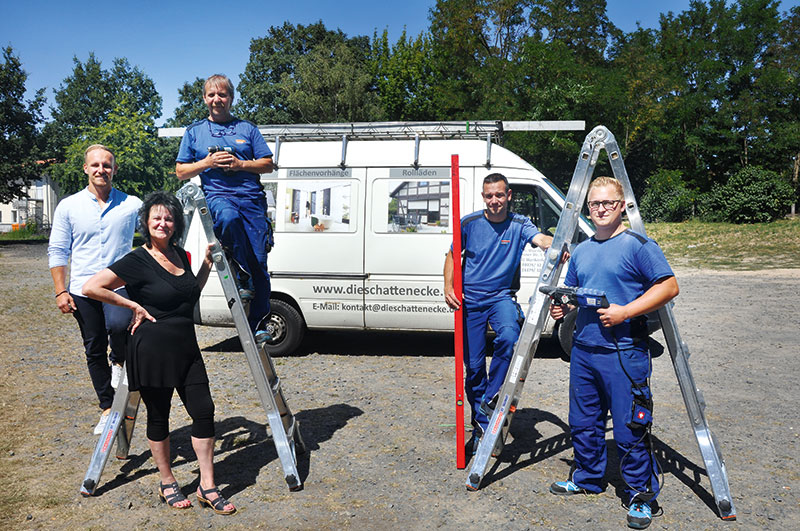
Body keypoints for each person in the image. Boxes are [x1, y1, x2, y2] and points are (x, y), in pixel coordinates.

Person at [83, 191, 236, 515]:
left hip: (186, 348)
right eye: (156, 218)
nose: (163, 223)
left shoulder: (181, 255)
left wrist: (207, 265)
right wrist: (131, 304)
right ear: (146, 223)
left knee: (204, 410)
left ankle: (207, 486)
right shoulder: (138, 260)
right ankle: (167, 481)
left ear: (175, 222)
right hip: (151, 349)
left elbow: (189, 293)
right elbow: (92, 287)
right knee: (159, 416)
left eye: (168, 218)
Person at [547, 177, 679, 530]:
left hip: (624, 352)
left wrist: (626, 311)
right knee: (584, 422)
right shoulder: (583, 250)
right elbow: (573, 294)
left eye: (607, 203)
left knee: (629, 426)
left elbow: (669, 286)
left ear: (621, 206)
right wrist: (562, 308)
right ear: (587, 208)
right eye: (594, 204)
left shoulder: (638, 245)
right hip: (585, 351)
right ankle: (588, 478)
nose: (601, 209)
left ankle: (640, 495)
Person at [444, 173, 554, 453]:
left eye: (499, 195)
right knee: (475, 367)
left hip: (501, 297)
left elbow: (539, 238)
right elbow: (452, 255)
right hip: (470, 302)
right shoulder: (470, 223)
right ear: (484, 197)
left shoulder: (518, 224)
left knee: (510, 337)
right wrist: (448, 287)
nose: (494, 201)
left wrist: (554, 245)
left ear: (508, 196)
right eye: (489, 196)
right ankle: (482, 423)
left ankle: (491, 398)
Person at [48, 144, 142, 435]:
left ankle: (120, 359)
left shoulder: (132, 204)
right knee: (93, 346)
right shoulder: (69, 206)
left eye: (107, 165)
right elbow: (58, 249)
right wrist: (61, 291)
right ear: (86, 169)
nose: (102, 169)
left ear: (114, 169)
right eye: (96, 165)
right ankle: (106, 407)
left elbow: (156, 231)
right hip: (82, 289)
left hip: (117, 284)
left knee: (118, 325)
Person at [175, 74, 274, 340]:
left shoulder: (248, 129)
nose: (217, 100)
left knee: (260, 265)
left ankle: (258, 326)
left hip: (251, 200)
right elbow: (181, 171)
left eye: (222, 95)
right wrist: (207, 163)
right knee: (228, 220)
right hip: (219, 196)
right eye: (211, 95)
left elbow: (267, 163)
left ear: (231, 98)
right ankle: (241, 275)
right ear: (204, 98)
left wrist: (240, 164)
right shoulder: (194, 132)